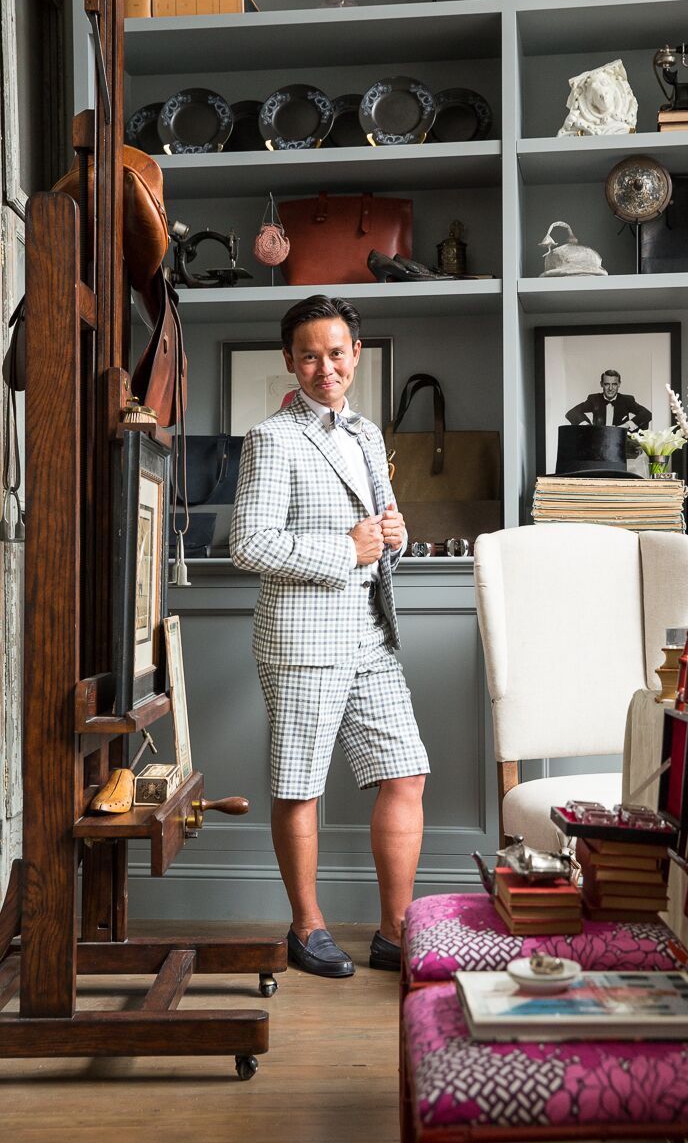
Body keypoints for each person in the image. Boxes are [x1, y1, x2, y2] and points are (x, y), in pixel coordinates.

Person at [230, 294, 429, 979]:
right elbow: (249, 543)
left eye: (336, 353)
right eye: (310, 356)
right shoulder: (272, 438)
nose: (326, 367)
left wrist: (394, 536)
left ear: (356, 354)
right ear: (290, 361)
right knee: (300, 787)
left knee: (406, 773)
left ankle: (395, 932)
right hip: (303, 641)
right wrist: (346, 549)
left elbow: (376, 532)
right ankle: (307, 927)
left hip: (371, 634)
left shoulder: (367, 433)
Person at [565, 369, 652, 431]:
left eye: (614, 384)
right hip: (599, 443)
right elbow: (572, 413)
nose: (610, 388)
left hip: (621, 443)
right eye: (607, 384)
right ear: (601, 384)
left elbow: (647, 414)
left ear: (619, 384)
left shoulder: (627, 400)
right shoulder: (594, 399)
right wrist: (588, 427)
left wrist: (626, 425)